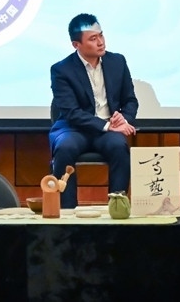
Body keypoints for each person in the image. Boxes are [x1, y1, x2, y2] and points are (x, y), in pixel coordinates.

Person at [49, 13, 138, 208]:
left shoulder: (117, 62)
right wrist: (107, 126)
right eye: (93, 38)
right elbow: (71, 112)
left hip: (108, 131)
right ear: (76, 45)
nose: (100, 42)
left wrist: (123, 119)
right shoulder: (61, 70)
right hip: (74, 128)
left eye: (101, 35)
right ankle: (67, 212)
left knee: (119, 147)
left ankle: (117, 206)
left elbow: (130, 100)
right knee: (65, 148)